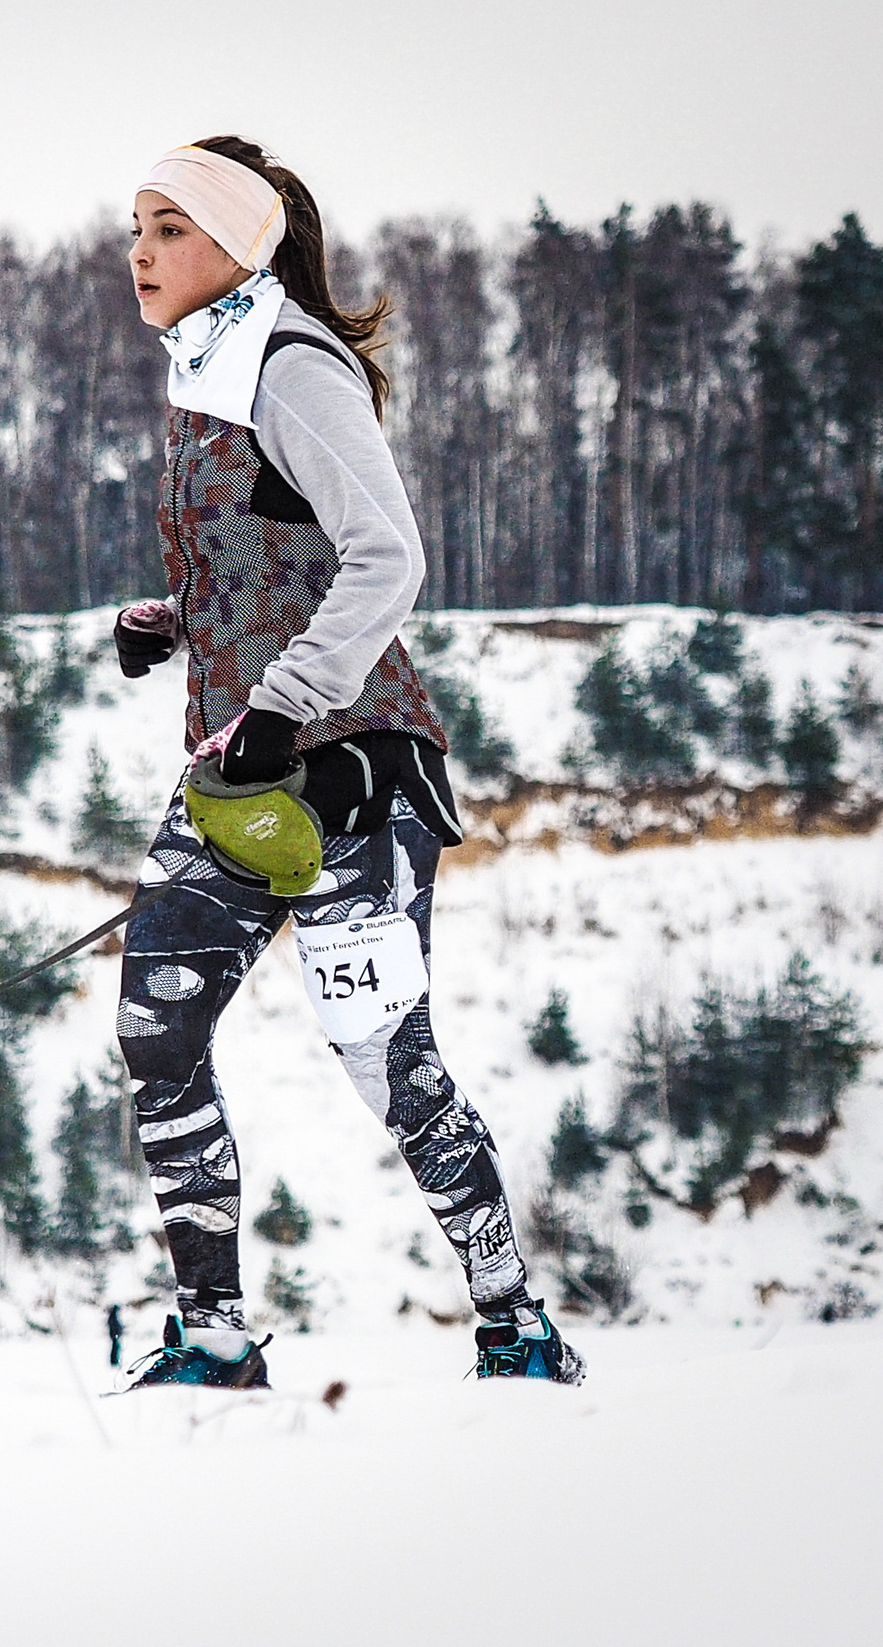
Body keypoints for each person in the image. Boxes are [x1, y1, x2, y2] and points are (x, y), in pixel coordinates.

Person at [109, 136, 583, 1389]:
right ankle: (210, 1337)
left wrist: (284, 702)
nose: (139, 252)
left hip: (350, 772)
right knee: (156, 1028)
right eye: (136, 227)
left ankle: (514, 1325)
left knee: (385, 1056)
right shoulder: (206, 369)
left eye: (168, 227)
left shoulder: (293, 365)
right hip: (240, 773)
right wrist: (177, 614)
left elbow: (388, 555)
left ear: (240, 245)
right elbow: (280, 547)